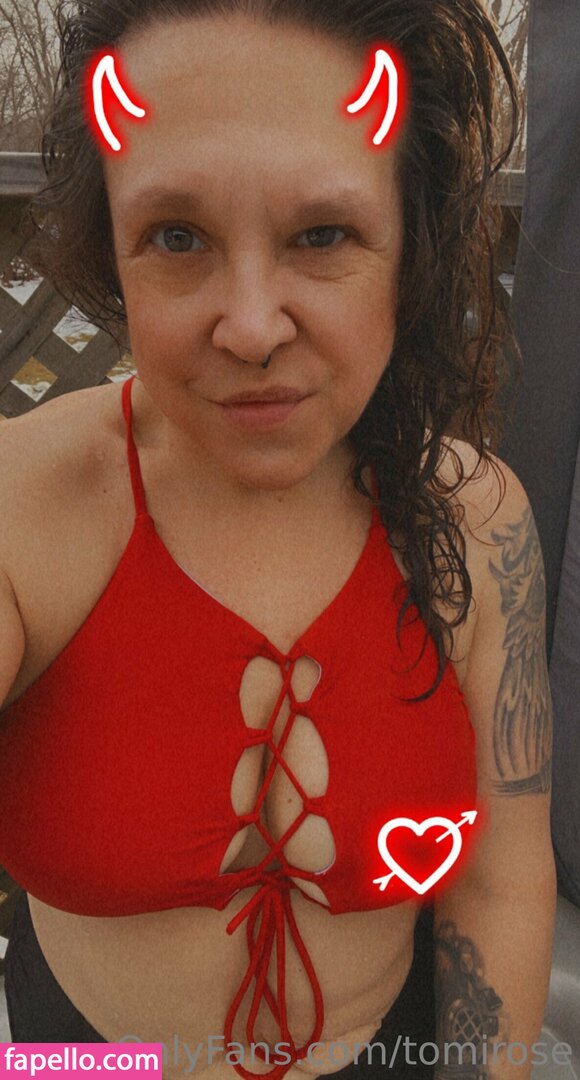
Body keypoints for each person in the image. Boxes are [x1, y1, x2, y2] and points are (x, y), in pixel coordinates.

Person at [0, 1, 556, 1078]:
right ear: (113, 253)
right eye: (176, 237)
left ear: (411, 248)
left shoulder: (478, 520)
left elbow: (498, 879)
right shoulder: (25, 505)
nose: (251, 326)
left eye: (322, 235)